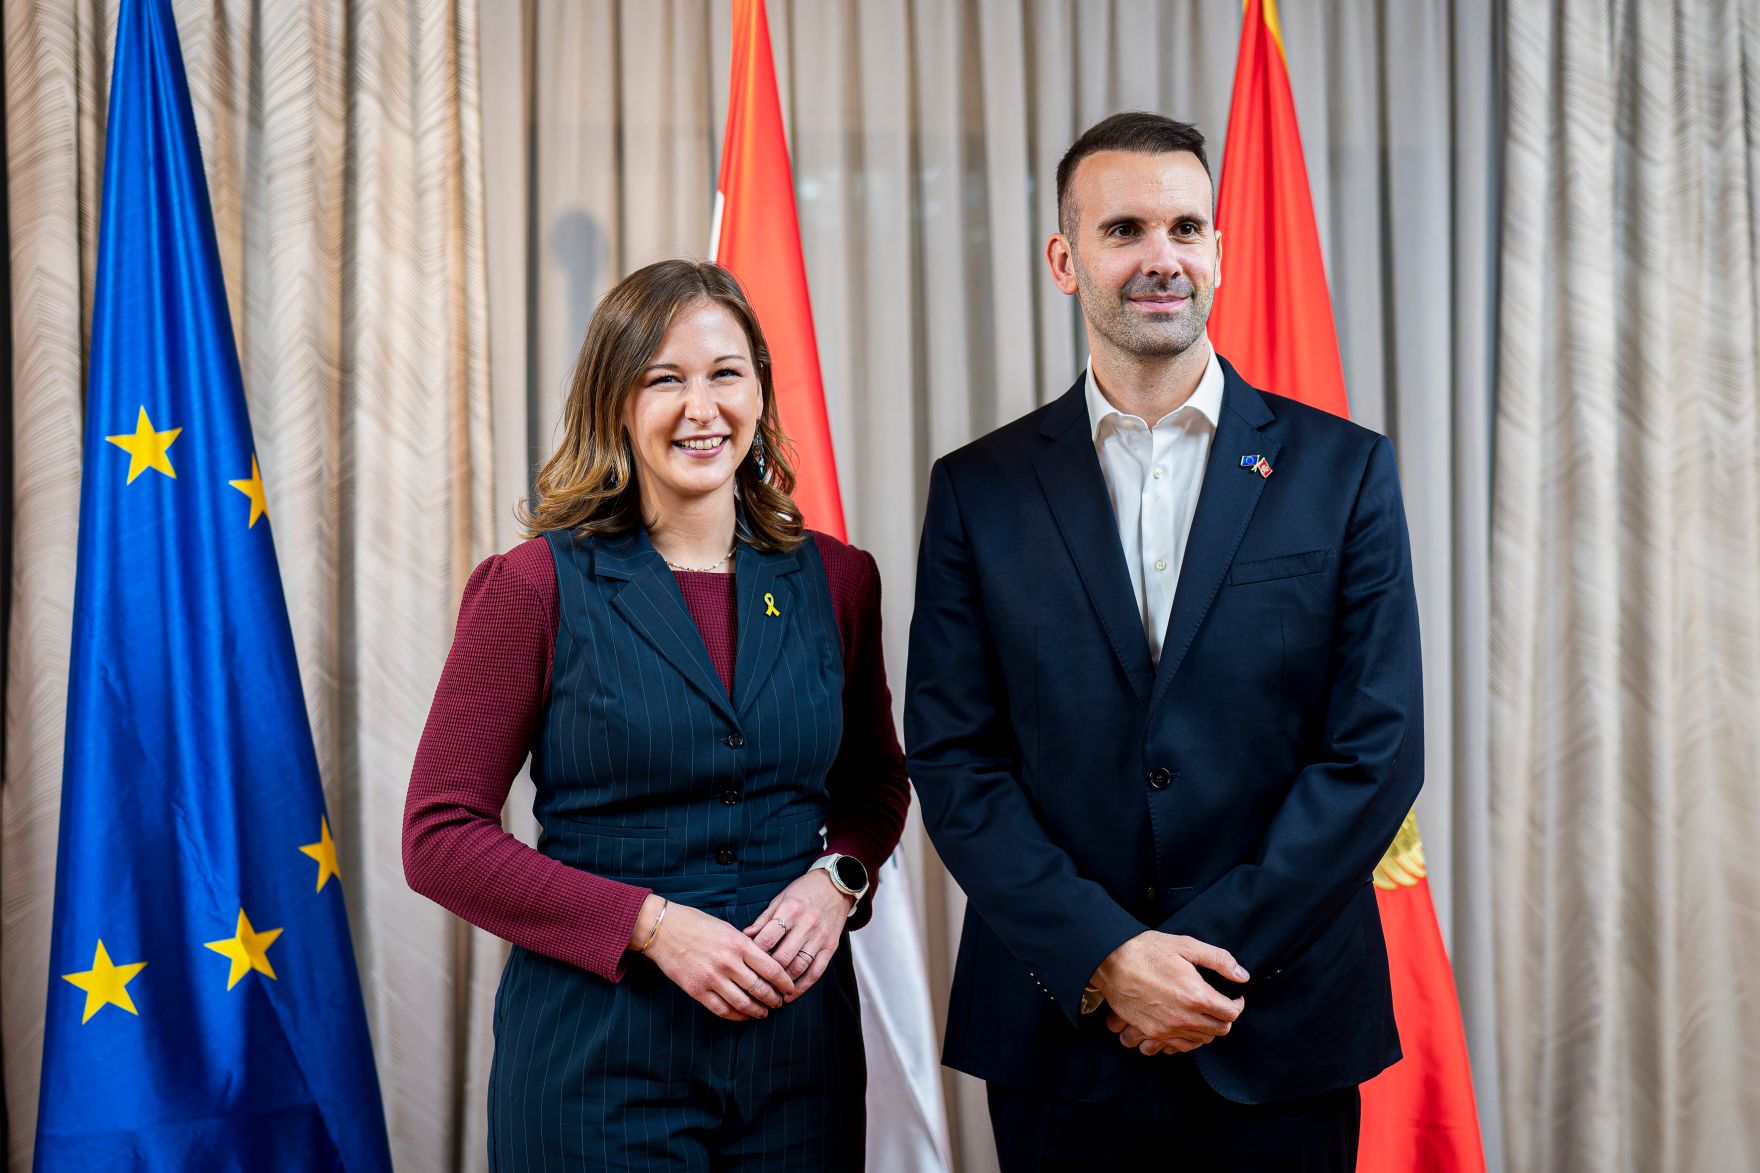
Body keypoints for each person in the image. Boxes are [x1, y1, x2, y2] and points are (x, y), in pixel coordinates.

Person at [904, 112, 1423, 1170]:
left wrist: (1201, 960)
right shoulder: (977, 491)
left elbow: (1375, 749)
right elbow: (955, 758)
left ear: (1218, 254)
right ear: (1064, 258)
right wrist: (1104, 957)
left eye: (1186, 227)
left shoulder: (1344, 473)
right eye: (1123, 228)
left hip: (1276, 1028)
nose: (1160, 258)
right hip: (1060, 1031)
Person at [403, 259, 909, 1171]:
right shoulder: (533, 587)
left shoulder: (838, 579)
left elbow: (875, 782)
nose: (701, 406)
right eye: (663, 379)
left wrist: (838, 879)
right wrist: (652, 923)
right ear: (616, 402)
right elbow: (439, 835)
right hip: (596, 1062)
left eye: (725, 373)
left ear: (760, 387)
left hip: (800, 1065)